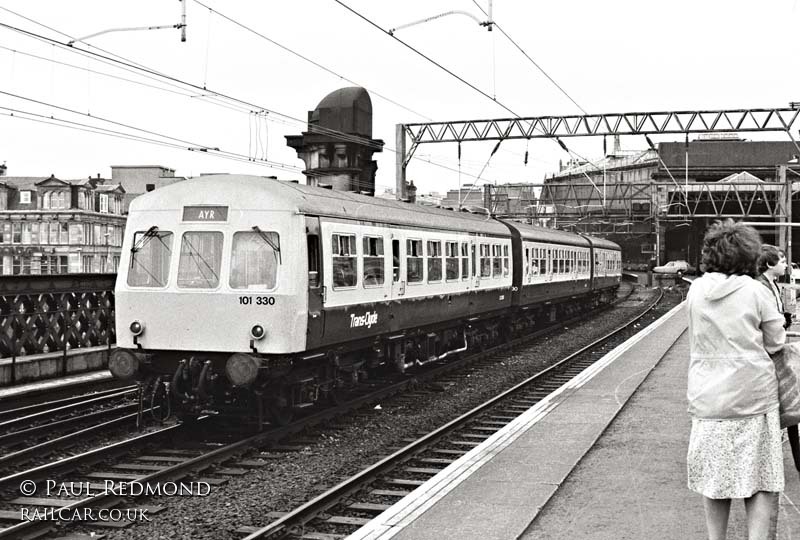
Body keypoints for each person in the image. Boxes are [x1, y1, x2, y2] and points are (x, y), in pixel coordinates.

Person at [686, 220, 786, 540]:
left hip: (708, 398)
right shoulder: (756, 291)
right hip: (753, 397)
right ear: (749, 256)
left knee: (716, 479)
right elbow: (775, 342)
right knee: (758, 478)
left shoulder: (696, 290)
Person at [756, 244, 793, 329]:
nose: (786, 265)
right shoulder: (761, 286)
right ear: (769, 264)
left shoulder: (771, 282)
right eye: (783, 262)